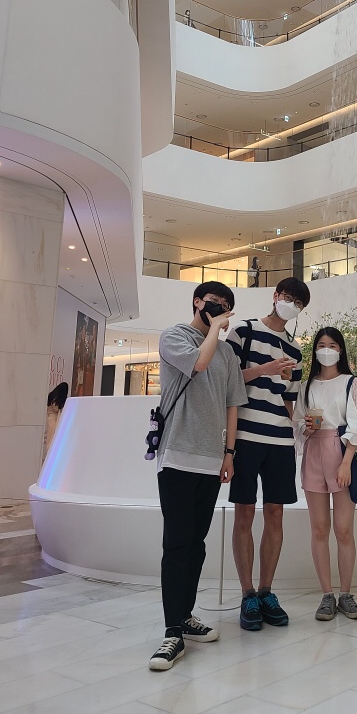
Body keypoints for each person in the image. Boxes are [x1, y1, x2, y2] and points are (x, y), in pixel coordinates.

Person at [148, 282, 247, 672]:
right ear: (197, 302)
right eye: (214, 304)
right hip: (177, 456)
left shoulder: (228, 353)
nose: (220, 310)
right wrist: (214, 330)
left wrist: (229, 454)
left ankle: (185, 615)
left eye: (226, 306)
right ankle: (172, 631)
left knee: (196, 544)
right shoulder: (175, 336)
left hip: (211, 460)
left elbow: (232, 405)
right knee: (176, 544)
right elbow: (198, 364)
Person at [227, 277, 310, 631]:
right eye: (288, 297)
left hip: (280, 440)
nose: (291, 305)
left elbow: (289, 400)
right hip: (245, 436)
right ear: (275, 296)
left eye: (299, 304)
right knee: (244, 513)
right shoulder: (244, 332)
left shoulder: (296, 350)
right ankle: (247, 594)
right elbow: (226, 380)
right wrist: (265, 369)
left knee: (275, 513)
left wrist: (301, 428)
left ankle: (266, 591)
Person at [295, 327, 357, 621]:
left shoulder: (351, 382)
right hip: (313, 452)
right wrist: (305, 428)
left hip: (340, 453)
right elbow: (297, 424)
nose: (327, 350)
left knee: (344, 529)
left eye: (333, 345)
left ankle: (346, 594)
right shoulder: (306, 385)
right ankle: (326, 595)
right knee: (319, 529)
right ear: (314, 350)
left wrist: (346, 462)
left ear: (341, 350)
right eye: (322, 345)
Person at [44, 382, 69, 457]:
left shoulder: (52, 395)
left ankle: (49, 453)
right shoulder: (55, 399)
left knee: (51, 437)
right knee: (51, 437)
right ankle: (49, 453)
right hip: (53, 419)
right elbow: (56, 408)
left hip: (51, 418)